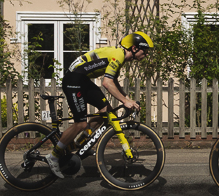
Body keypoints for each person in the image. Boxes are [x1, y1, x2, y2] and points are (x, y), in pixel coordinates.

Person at [45, 31, 154, 178]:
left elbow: (113, 80)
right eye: (145, 50)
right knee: (81, 123)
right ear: (134, 48)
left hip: (82, 80)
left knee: (106, 111)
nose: (146, 54)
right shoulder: (119, 55)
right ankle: (53, 156)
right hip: (73, 80)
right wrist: (125, 101)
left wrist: (127, 98)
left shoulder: (119, 55)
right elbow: (106, 83)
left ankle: (79, 143)